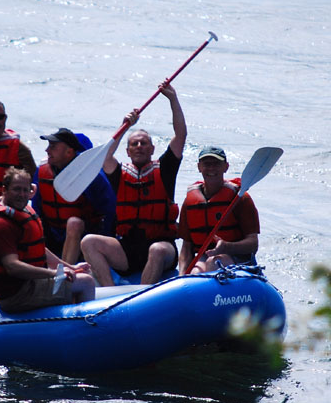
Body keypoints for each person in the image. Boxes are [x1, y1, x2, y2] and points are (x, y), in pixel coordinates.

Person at [81, 82, 187, 285]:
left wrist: (173, 99)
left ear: (152, 149)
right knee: (89, 242)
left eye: (144, 143)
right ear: (127, 151)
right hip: (127, 250)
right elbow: (105, 156)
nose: (139, 146)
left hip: (161, 247)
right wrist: (125, 127)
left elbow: (180, 135)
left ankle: (142, 298)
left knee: (156, 250)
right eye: (134, 144)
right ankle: (110, 295)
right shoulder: (119, 173)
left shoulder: (165, 169)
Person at [0, 167, 95, 313]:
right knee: (86, 282)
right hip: (17, 295)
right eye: (17, 189)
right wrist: (53, 273)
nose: (22, 194)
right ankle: (86, 327)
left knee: (81, 274)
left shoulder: (23, 211)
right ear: (4, 190)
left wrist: (69, 267)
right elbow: (12, 267)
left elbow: (37, 249)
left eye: (26, 190)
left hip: (32, 283)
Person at [32, 127, 115, 264]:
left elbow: (109, 212)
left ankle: (66, 273)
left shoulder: (92, 176)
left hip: (84, 235)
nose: (47, 150)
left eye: (53, 146)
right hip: (53, 234)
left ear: (69, 152)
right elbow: (36, 209)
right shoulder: (41, 171)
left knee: (74, 223)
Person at [178, 146, 260, 274]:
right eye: (207, 164)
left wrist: (226, 247)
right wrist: (181, 277)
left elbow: (253, 244)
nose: (211, 168)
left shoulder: (240, 198)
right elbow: (186, 247)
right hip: (204, 256)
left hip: (238, 258)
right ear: (199, 167)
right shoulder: (189, 202)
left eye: (216, 164)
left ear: (226, 167)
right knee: (195, 272)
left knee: (214, 262)